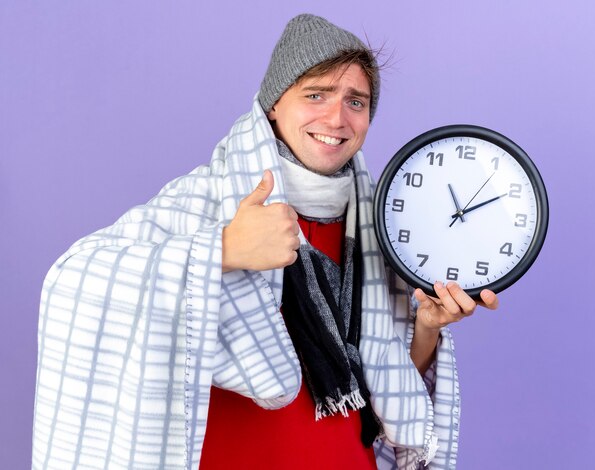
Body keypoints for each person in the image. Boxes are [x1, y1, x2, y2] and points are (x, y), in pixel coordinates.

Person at [32, 13, 498, 470]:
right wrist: (222, 249)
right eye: (316, 94)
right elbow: (73, 279)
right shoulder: (210, 202)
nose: (337, 117)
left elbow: (387, 393)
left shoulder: (381, 226)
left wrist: (427, 328)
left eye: (356, 101)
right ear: (274, 104)